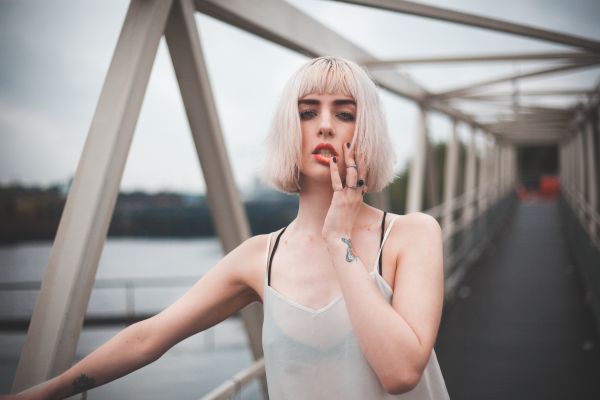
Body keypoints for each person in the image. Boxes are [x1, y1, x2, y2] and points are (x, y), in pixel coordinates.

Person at [4, 56, 449, 400]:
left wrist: (339, 241)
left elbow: (401, 372)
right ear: (288, 130)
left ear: (366, 130)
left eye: (345, 113)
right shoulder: (260, 258)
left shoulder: (413, 235)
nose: (326, 125)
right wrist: (46, 391)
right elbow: (149, 336)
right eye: (308, 112)